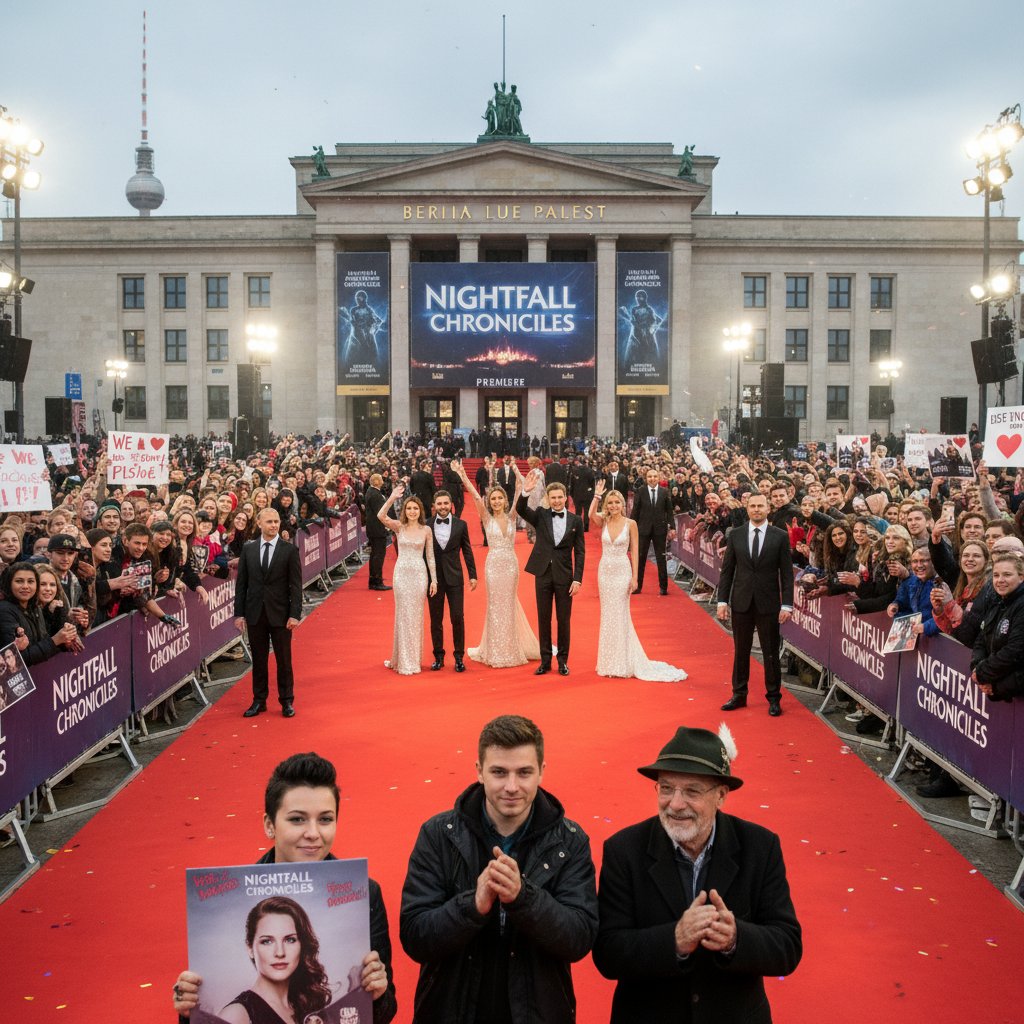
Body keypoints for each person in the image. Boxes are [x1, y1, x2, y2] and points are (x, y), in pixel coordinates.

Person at [592, 724, 802, 1023]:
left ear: (721, 795)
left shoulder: (760, 846)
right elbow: (608, 953)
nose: (676, 804)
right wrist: (675, 940)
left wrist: (735, 939)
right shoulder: (624, 850)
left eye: (692, 791)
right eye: (666, 788)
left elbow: (787, 946)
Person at [399, 714, 598, 1024]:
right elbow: (415, 937)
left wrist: (524, 898)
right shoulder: (437, 835)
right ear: (479, 771)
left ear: (542, 772)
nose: (511, 787)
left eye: (524, 772)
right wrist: (473, 906)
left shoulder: (570, 842)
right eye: (499, 772)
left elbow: (579, 938)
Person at [172, 752, 397, 1024]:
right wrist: (189, 1011)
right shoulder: (238, 895)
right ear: (270, 825)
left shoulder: (364, 893)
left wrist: (377, 994)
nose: (313, 833)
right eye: (297, 819)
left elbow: (385, 1011)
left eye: (325, 819)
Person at [590, 481, 686, 682]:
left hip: (622, 571)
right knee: (607, 615)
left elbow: (635, 551)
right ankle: (608, 661)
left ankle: (623, 661)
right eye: (610, 503)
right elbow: (591, 515)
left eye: (617, 502)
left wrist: (635, 577)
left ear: (623, 504)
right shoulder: (604, 521)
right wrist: (597, 496)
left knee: (620, 614)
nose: (614, 506)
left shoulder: (631, 524)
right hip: (605, 572)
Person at [453, 460, 539, 668]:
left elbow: (519, 492)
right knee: (494, 606)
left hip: (510, 566)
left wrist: (517, 472)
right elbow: (475, 496)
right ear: (489, 502)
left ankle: (510, 647)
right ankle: (494, 649)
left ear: (505, 500)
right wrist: (463, 475)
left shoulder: (512, 517)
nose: (497, 501)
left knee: (509, 604)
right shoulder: (486, 517)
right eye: (493, 499)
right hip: (492, 567)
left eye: (500, 498)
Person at [717, 493, 794, 716]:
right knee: (741, 651)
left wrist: (787, 605)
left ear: (768, 508)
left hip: (768, 603)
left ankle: (774, 698)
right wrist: (722, 601)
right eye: (753, 506)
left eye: (761, 506)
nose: (757, 509)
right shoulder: (736, 535)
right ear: (747, 508)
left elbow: (787, 574)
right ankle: (739, 694)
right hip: (741, 601)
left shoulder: (780, 536)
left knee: (770, 652)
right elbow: (727, 571)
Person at [234, 508, 303, 718]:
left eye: (276, 521)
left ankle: (287, 701)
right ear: (259, 523)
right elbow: (241, 584)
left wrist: (295, 614)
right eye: (269, 522)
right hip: (255, 613)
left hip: (281, 614)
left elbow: (296, 586)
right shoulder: (249, 549)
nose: (274, 525)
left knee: (284, 660)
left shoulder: (289, 550)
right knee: (259, 660)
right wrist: (239, 614)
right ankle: (259, 700)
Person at [516, 475, 585, 676]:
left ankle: (562, 661)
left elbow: (580, 552)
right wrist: (525, 492)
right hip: (543, 574)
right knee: (543, 619)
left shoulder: (576, 521)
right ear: (548, 498)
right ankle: (545, 661)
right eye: (553, 497)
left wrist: (577, 578)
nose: (556, 501)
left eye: (559, 497)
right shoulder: (541, 515)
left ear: (565, 497)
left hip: (565, 576)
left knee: (564, 620)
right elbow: (521, 510)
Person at [377, 484, 437, 675]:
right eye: (409, 508)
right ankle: (403, 660)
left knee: (416, 616)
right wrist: (392, 497)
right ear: (405, 511)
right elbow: (380, 516)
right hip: (402, 575)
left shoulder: (426, 530)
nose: (412, 511)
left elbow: (430, 556)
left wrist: (434, 580)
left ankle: (413, 659)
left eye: (415, 508)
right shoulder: (399, 527)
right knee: (403, 615)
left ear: (420, 511)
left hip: (419, 575)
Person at [426, 488, 477, 672]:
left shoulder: (461, 525)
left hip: (455, 577)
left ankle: (459, 657)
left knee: (457, 618)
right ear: (434, 505)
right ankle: (438, 656)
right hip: (434, 580)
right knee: (436, 619)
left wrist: (472, 574)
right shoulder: (426, 525)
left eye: (445, 503)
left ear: (451, 505)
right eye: (439, 503)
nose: (443, 506)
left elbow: (467, 550)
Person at [971, 551, 1024, 702]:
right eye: (996, 575)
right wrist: (977, 667)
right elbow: (981, 638)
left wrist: (991, 682)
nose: (1000, 580)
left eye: (1007, 574)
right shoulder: (997, 601)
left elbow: (1015, 651)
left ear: (1021, 577)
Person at [630, 467, 675, 595]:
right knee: (640, 558)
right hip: (643, 529)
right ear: (646, 478)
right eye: (650, 476)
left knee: (661, 558)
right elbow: (635, 510)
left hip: (660, 530)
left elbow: (669, 511)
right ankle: (637, 586)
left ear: (658, 478)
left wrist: (672, 527)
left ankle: (663, 587)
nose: (652, 479)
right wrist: (630, 527)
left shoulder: (664, 492)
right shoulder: (640, 491)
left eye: (655, 476)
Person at [363, 474, 392, 592]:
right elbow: (381, 513)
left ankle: (374, 580)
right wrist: (389, 526)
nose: (383, 482)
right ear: (376, 482)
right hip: (377, 529)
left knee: (375, 555)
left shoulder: (371, 492)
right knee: (378, 556)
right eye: (381, 480)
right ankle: (377, 581)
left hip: (373, 528)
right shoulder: (375, 494)